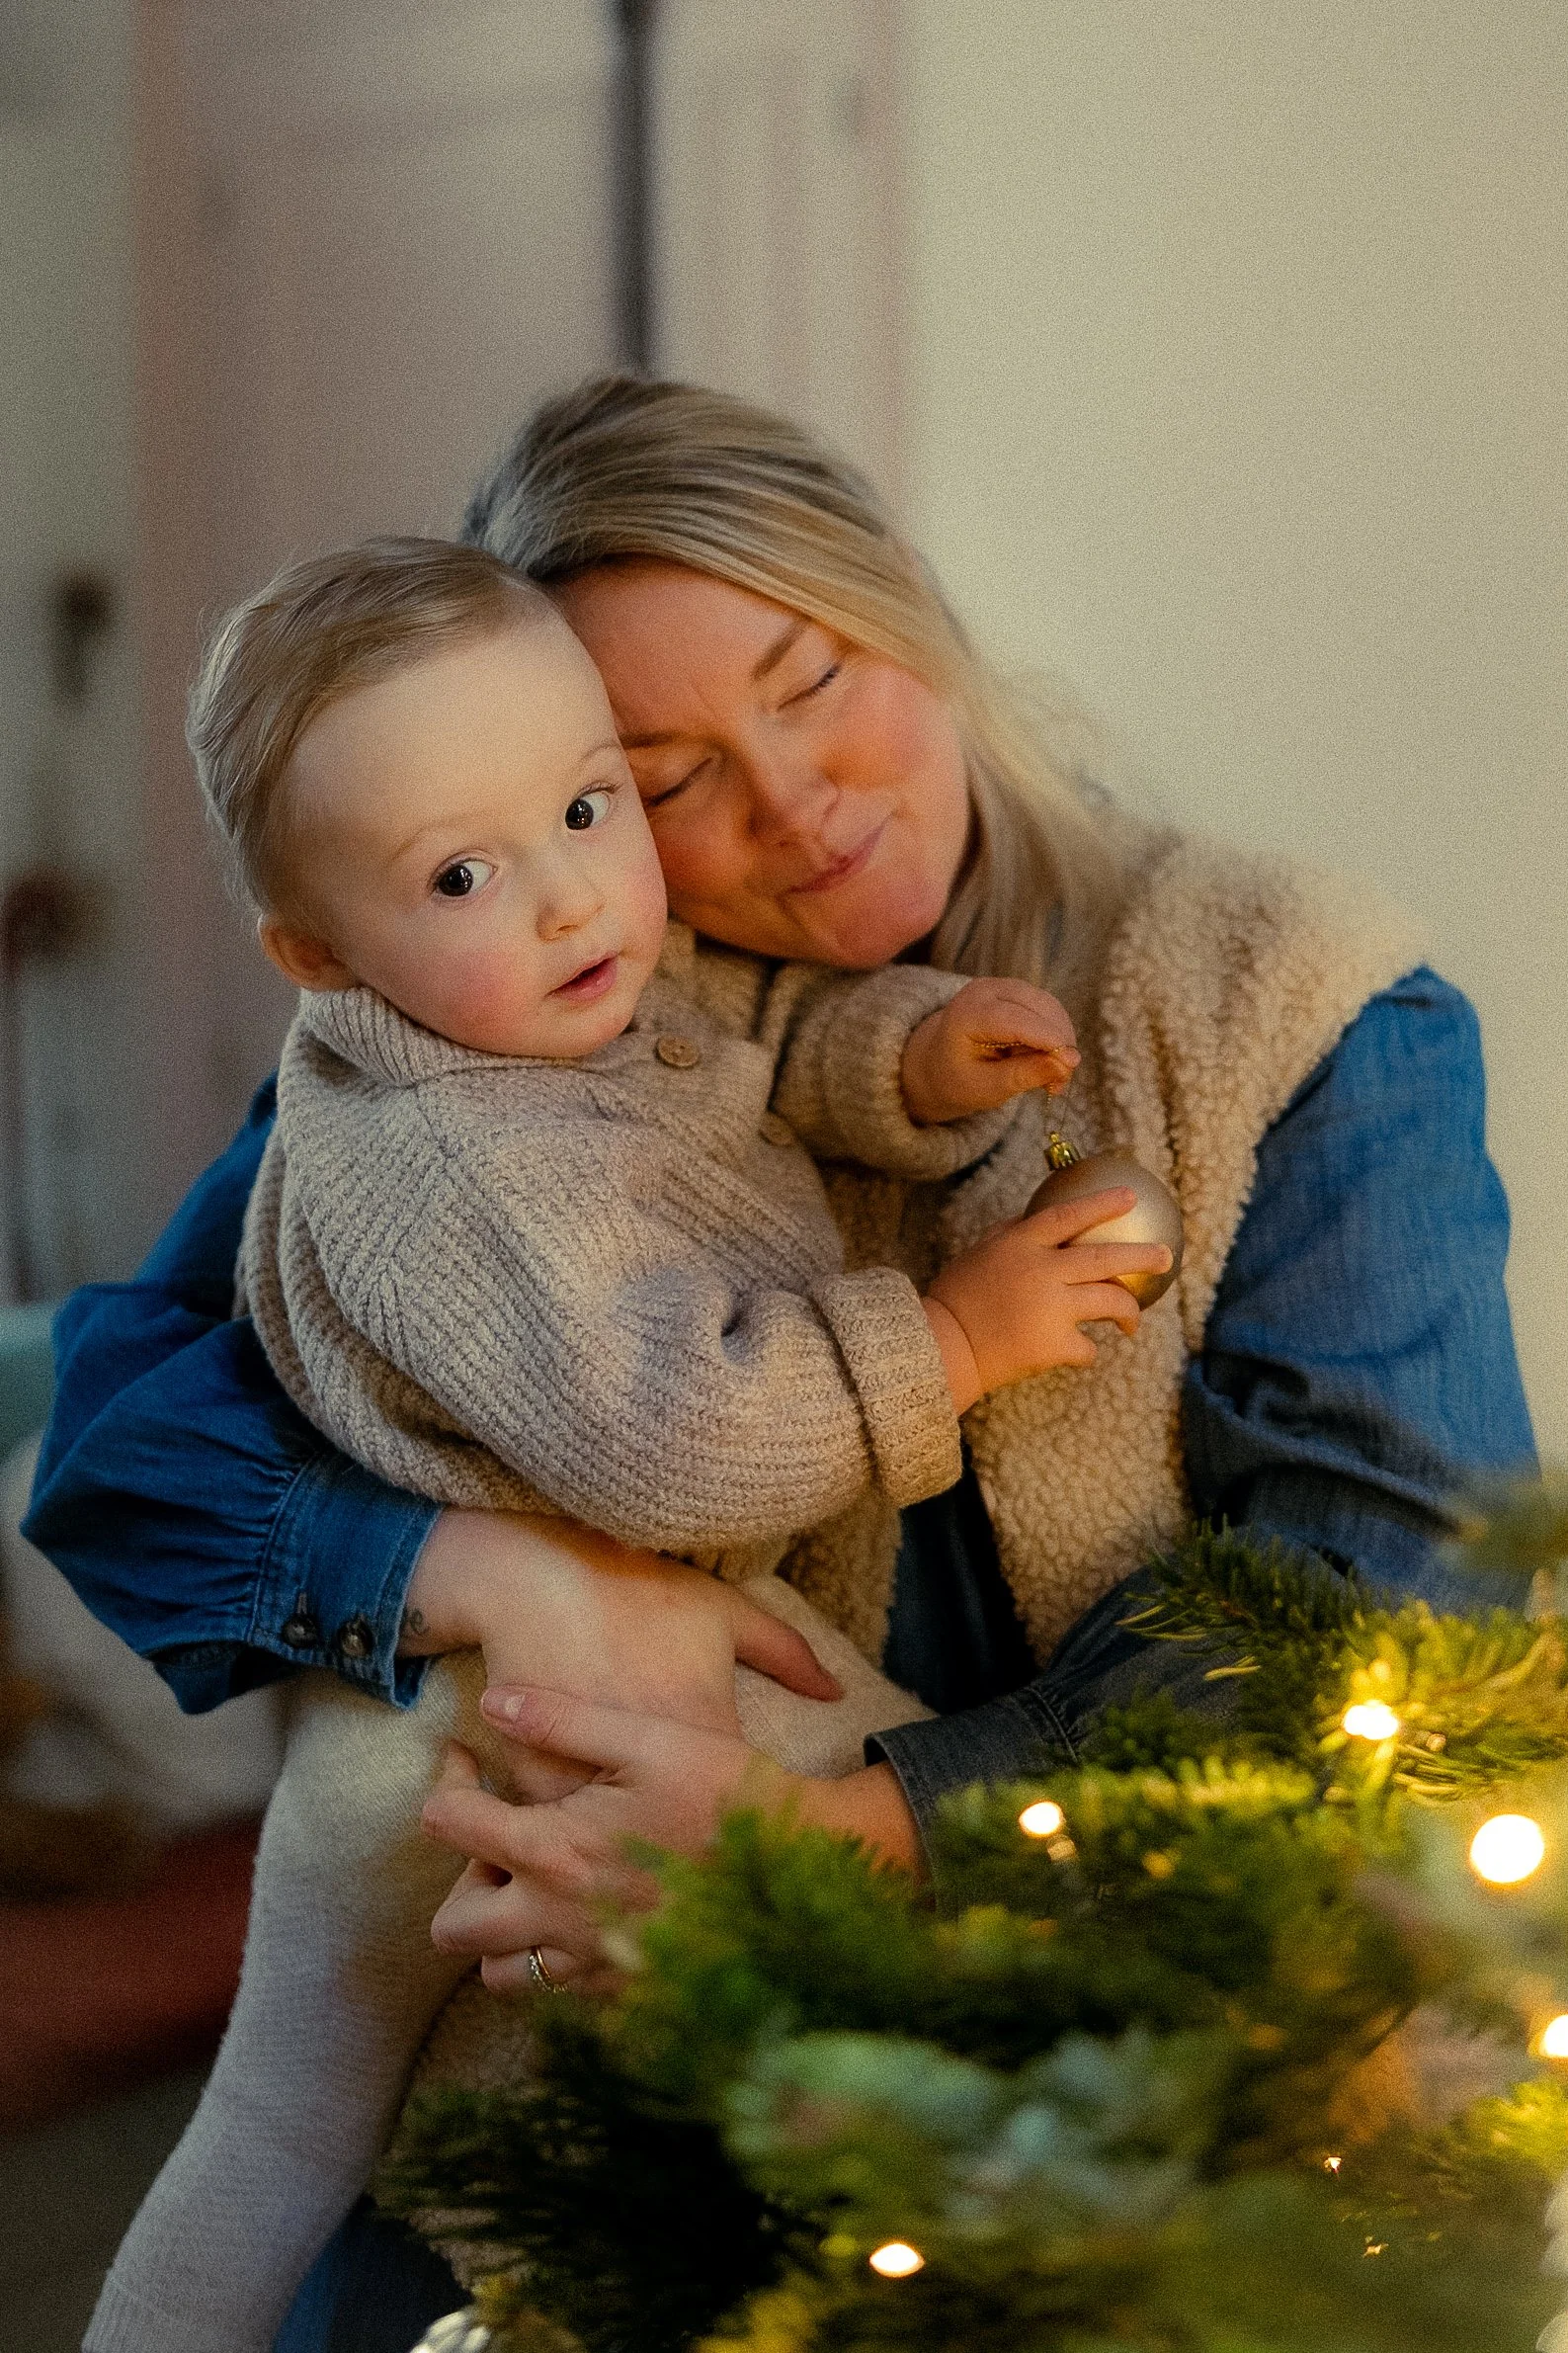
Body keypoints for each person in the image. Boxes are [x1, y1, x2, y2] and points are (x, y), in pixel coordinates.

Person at [27, 376, 1535, 2352]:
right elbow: (121, 1425)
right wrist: (481, 1575)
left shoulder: (1298, 1009)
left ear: (903, 600)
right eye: (660, 773)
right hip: (548, 2089)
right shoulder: (490, 1031)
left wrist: (837, 1835)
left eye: (815, 676)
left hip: (1104, 2109)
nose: (795, 799)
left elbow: (1383, 1629)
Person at [86, 533, 1170, 2353]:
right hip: (489, 1708)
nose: (575, 901)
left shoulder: (540, 1000)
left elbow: (733, 1039)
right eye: (460, 872)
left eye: (597, 808)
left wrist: (907, 1061)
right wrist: (958, 1339)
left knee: (306, 2123)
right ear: (313, 953)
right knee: (298, 2120)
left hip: (588, 1642)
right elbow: (675, 1439)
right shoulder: (445, 1159)